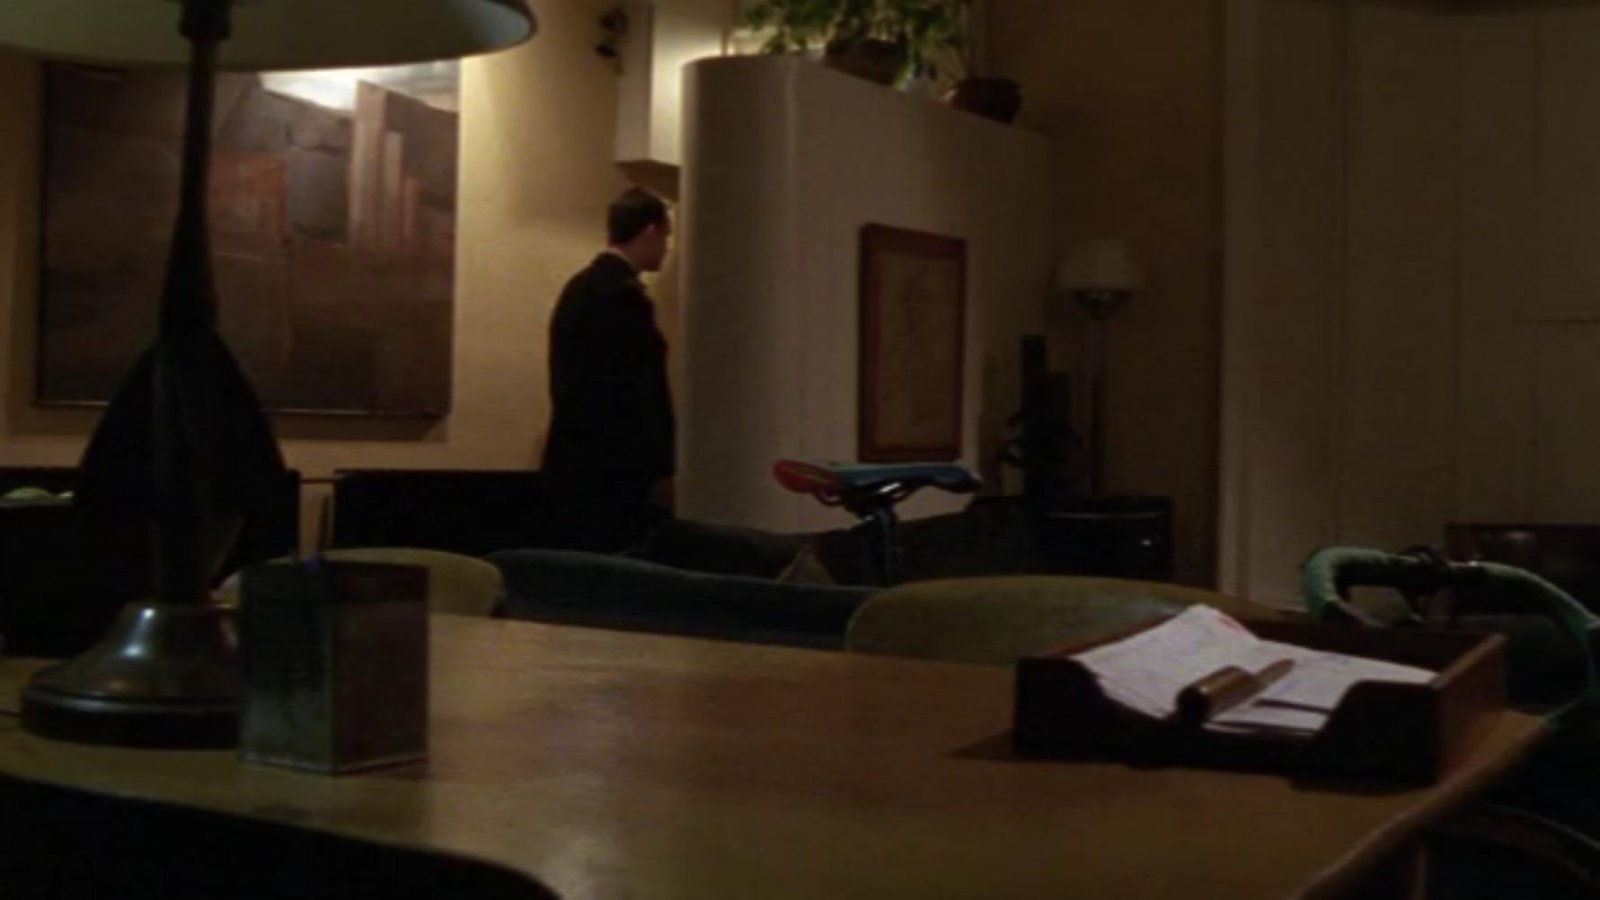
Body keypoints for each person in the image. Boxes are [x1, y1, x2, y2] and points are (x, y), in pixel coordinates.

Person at [541, 187, 675, 550]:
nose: (666, 247)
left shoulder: (580, 287)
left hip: (574, 460)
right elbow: (639, 389)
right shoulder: (623, 296)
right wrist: (661, 465)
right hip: (615, 469)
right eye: (666, 235)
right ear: (650, 231)